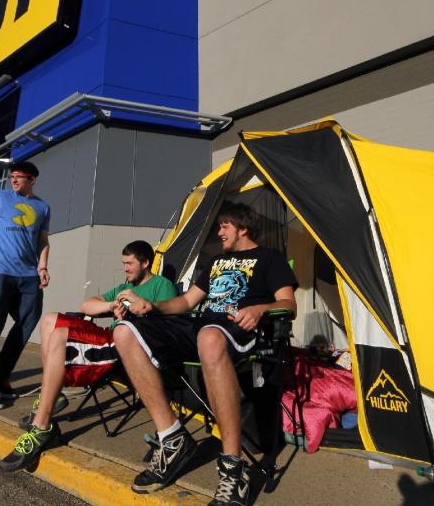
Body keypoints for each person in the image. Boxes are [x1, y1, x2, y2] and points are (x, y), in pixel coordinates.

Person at [112, 202, 297, 505]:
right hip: (201, 328)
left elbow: (289, 304)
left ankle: (233, 470)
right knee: (124, 331)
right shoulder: (214, 261)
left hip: (242, 330)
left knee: (210, 338)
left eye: (225, 225)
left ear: (243, 228)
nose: (219, 231)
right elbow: (186, 303)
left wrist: (259, 309)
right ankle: (172, 438)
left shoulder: (269, 259)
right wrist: (152, 306)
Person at [0, 240, 177, 472]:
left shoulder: (161, 285)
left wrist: (142, 309)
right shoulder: (124, 287)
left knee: (61, 335)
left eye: (129, 264)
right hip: (109, 336)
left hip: (126, 345)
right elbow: (87, 306)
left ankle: (42, 426)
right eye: (123, 264)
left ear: (145, 263)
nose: (125, 269)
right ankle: (48, 398)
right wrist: (113, 305)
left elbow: (169, 321)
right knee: (50, 320)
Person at [0, 161, 51, 410]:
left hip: (28, 274)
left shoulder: (42, 207)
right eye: (12, 176)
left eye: (20, 177)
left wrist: (43, 267)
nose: (14, 180)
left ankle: (0, 377)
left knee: (29, 320)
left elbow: (43, 241)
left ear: (32, 180)